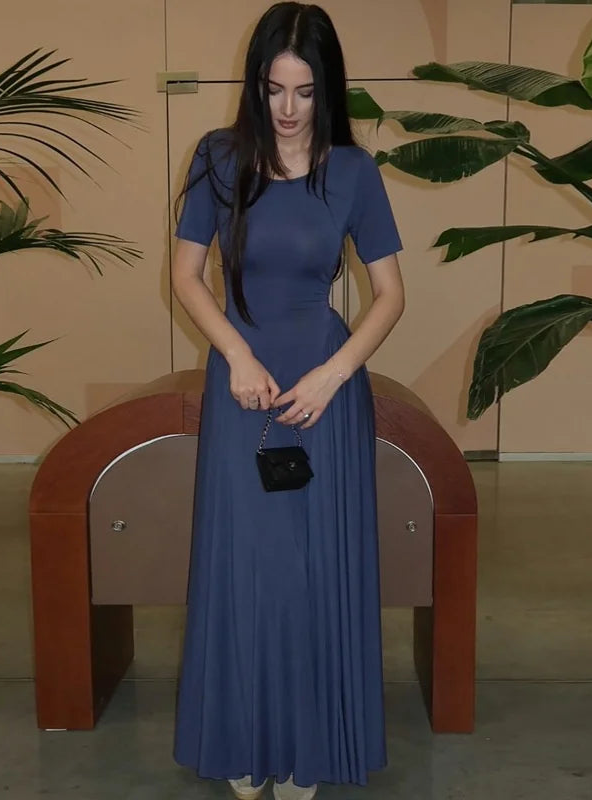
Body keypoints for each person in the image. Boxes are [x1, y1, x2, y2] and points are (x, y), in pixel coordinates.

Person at [170, 4, 404, 799]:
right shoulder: (218, 157)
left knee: (312, 572)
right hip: (242, 387)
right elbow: (184, 276)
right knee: (247, 569)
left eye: (305, 91)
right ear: (256, 85)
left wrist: (335, 375)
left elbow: (391, 295)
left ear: (328, 89)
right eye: (275, 88)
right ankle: (242, 737)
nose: (289, 108)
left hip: (324, 392)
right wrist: (235, 354)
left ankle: (309, 746)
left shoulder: (354, 173)